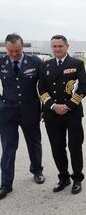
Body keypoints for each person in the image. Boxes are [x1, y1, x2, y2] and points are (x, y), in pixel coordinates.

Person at [38, 35, 86, 195]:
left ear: (67, 46)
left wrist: (67, 106)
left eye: (60, 46)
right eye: (54, 46)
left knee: (75, 147)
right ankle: (63, 177)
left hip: (72, 113)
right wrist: (52, 106)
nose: (57, 49)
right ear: (51, 48)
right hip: (52, 114)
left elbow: (83, 88)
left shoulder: (77, 64)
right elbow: (42, 88)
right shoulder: (45, 65)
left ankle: (77, 178)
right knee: (57, 148)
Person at [0, 34, 45, 200]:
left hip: (30, 110)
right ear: (6, 48)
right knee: (8, 147)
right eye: (10, 51)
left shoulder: (35, 62)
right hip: (7, 112)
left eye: (17, 51)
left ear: (22, 47)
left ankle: (37, 171)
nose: (13, 54)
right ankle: (6, 183)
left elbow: (44, 86)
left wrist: (44, 107)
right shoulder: (2, 62)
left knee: (34, 143)